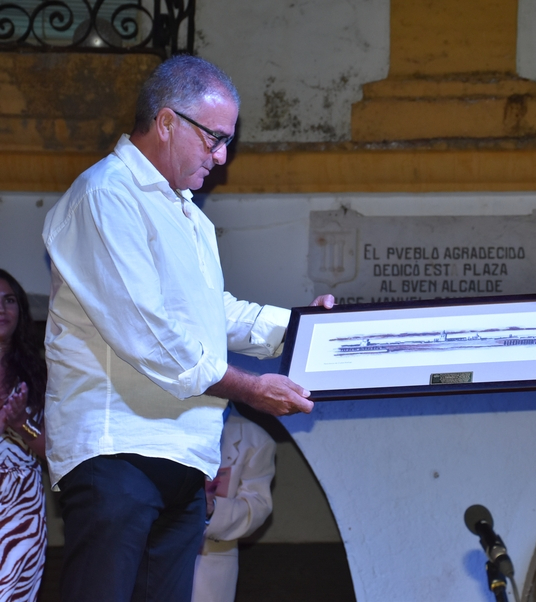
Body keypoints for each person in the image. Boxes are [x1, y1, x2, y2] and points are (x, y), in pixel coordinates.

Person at [42, 55, 333, 602]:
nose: (222, 158)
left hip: (183, 459)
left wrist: (302, 327)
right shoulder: (107, 195)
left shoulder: (189, 216)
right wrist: (250, 387)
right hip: (118, 454)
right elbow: (149, 333)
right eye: (215, 138)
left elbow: (210, 313)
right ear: (168, 121)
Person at [192, 404, 276, 602]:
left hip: (210, 563)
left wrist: (212, 510)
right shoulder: (164, 424)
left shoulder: (256, 440)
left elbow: (257, 507)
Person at [0, 269, 48, 601]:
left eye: (9, 300)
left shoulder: (38, 374)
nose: (2, 309)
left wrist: (21, 425)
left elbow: (54, 450)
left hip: (22, 509)